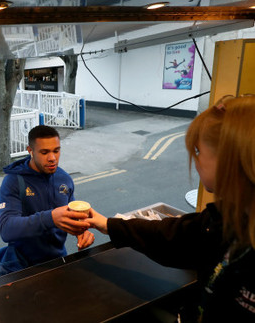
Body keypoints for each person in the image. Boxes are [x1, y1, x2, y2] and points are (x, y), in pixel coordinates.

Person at [86, 95, 255, 322]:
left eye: (198, 151)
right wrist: (108, 224)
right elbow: (171, 235)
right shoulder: (224, 218)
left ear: (228, 160)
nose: (195, 161)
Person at [0, 125, 95, 268]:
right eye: (44, 152)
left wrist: (81, 231)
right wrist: (51, 218)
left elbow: (72, 215)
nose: (52, 158)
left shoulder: (65, 179)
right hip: (22, 265)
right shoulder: (13, 181)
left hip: (59, 260)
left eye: (56, 151)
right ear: (30, 151)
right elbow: (6, 230)